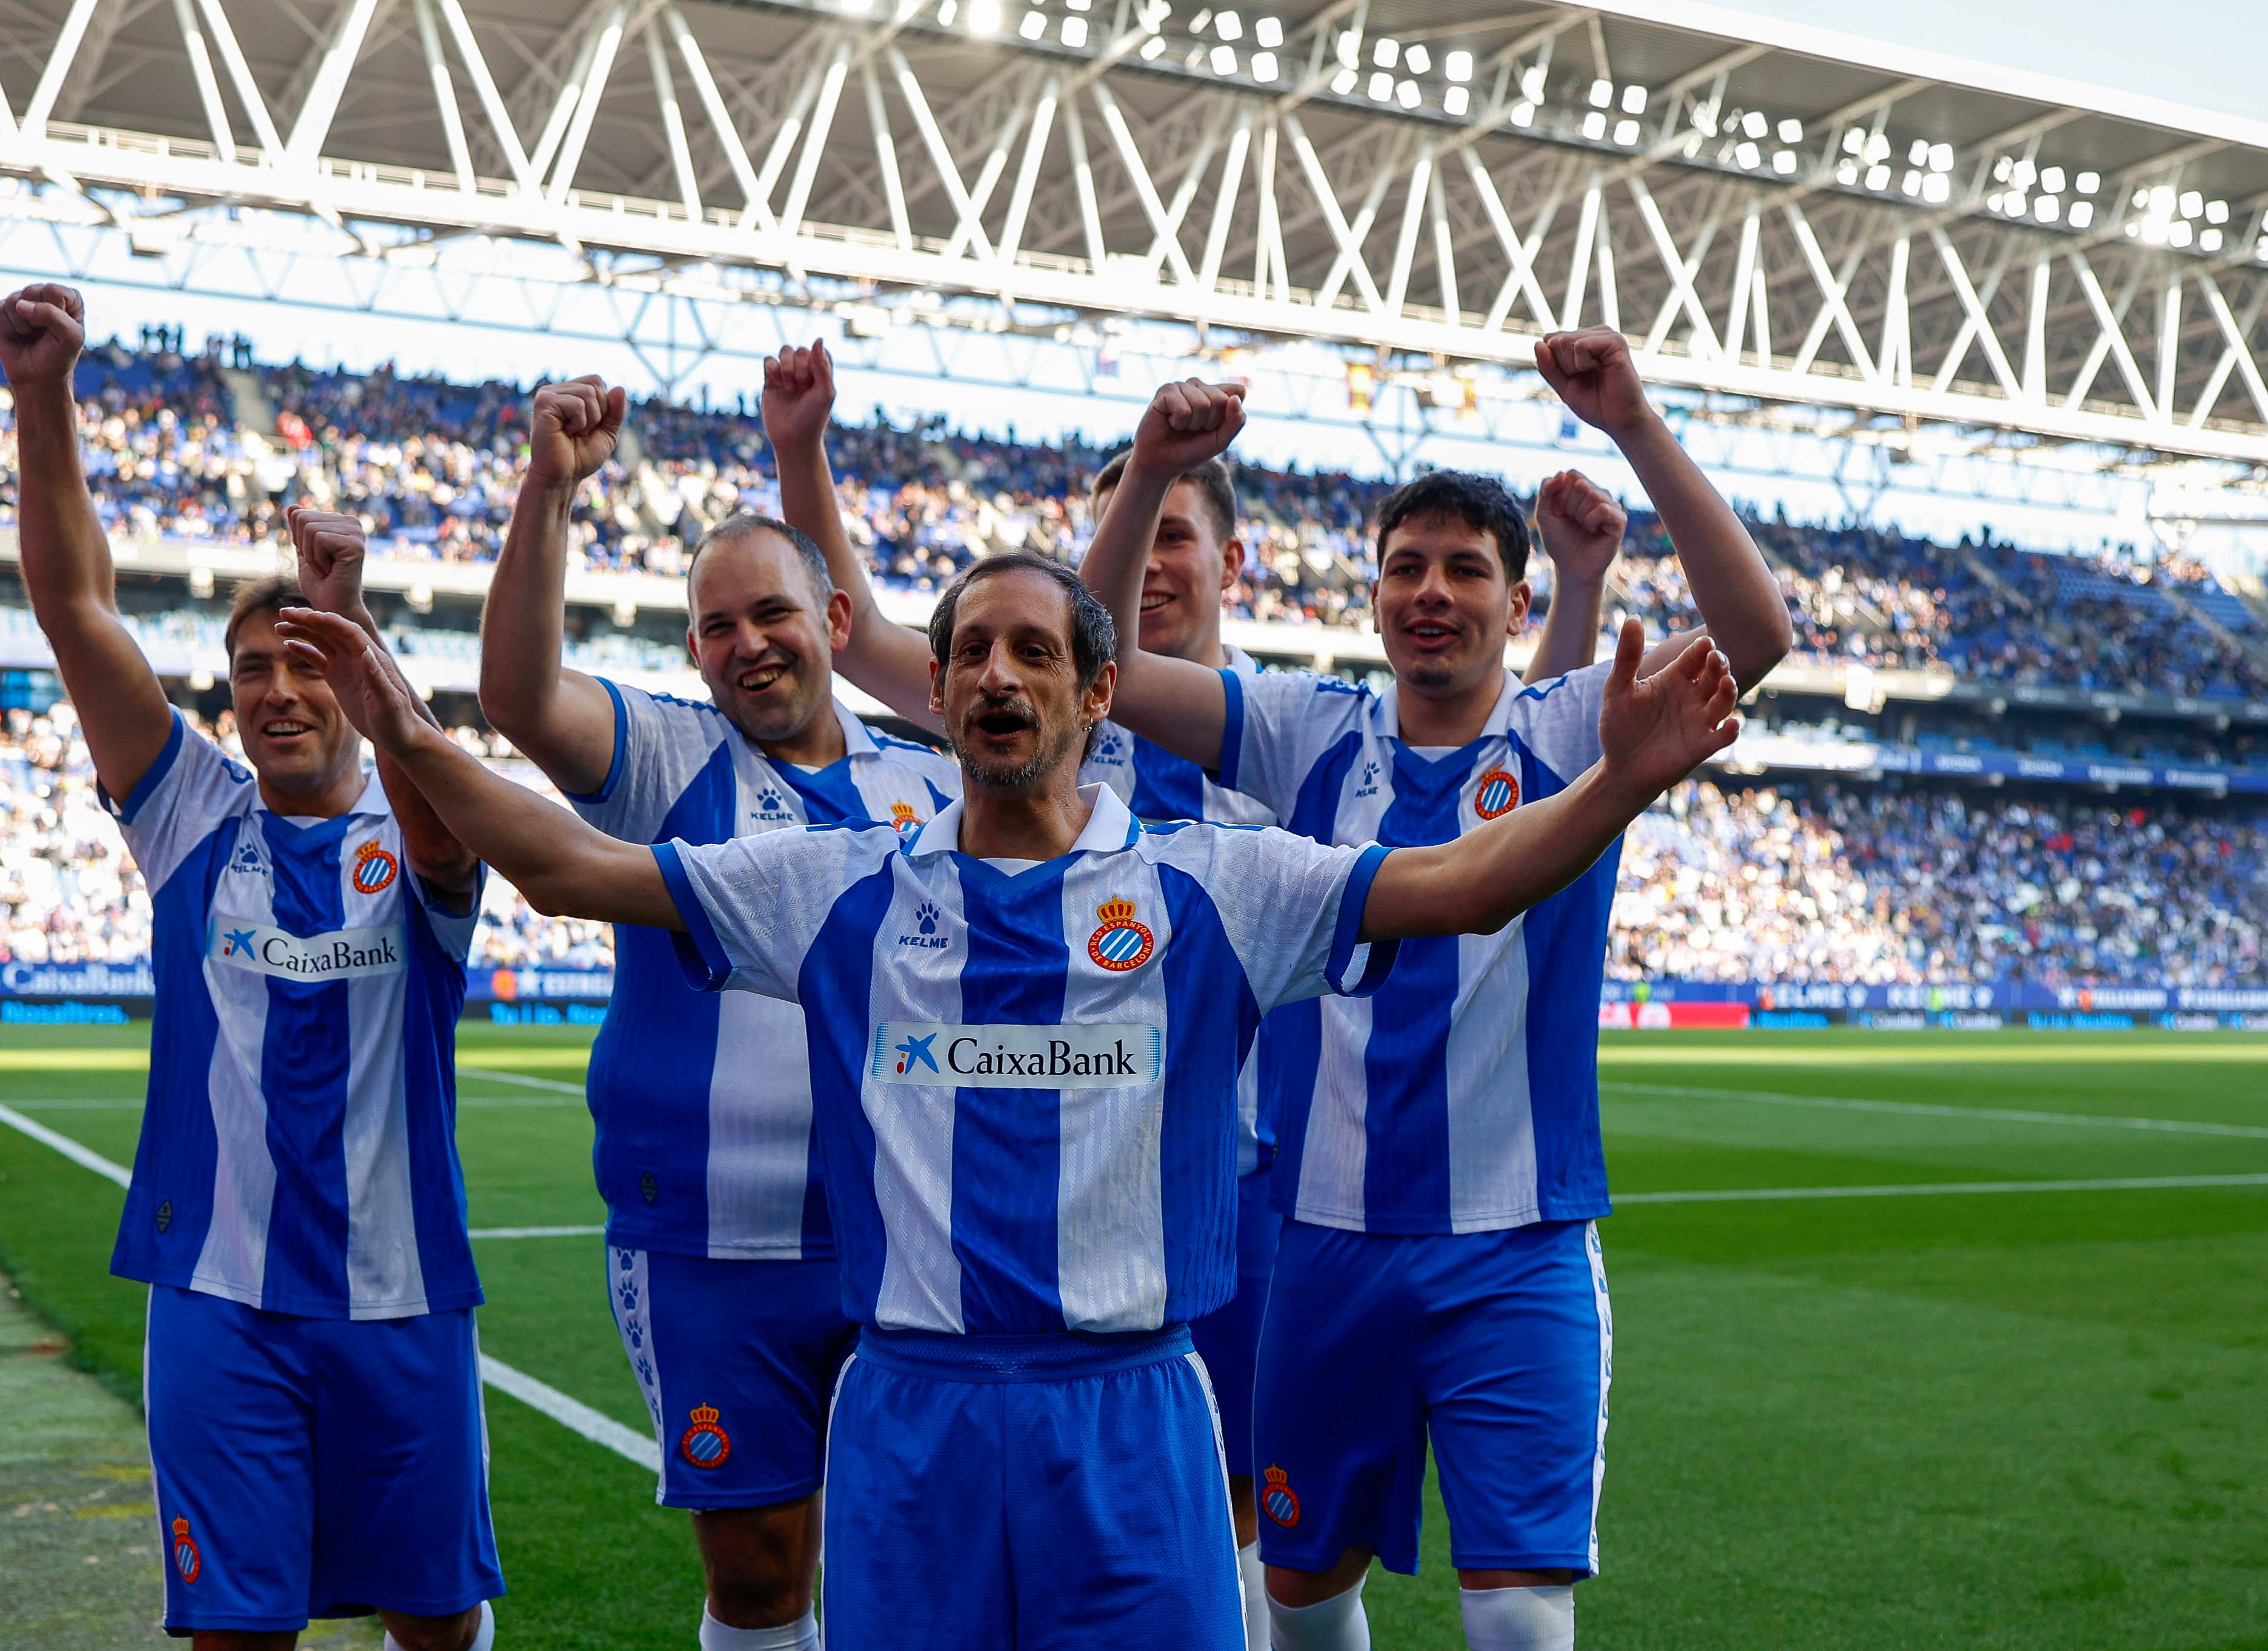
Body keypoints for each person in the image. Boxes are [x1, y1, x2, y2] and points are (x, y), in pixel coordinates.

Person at [278, 545, 1740, 1651]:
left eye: (1034, 651)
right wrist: (407, 735)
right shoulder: (840, 885)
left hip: (1132, 1412)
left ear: (1096, 694)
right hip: (911, 1413)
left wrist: (1617, 784)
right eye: (970, 650)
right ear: (937, 691)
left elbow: (1464, 882)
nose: (996, 675)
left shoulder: (1213, 885)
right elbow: (570, 869)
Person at [763, 338, 1622, 1650]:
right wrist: (803, 456)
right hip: (1082, 1204)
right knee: (1213, 1542)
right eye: (1127, 532)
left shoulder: (1284, 731)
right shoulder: (1043, 722)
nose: (1150, 560)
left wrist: (1579, 595)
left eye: (1174, 531)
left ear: (1233, 560)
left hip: (1259, 1190)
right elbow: (871, 644)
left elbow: (1511, 764)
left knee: (1235, 1533)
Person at [1077, 339, 1794, 1651]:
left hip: (1516, 1241)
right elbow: (1102, 655)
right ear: (1373, 599)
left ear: (1516, 603)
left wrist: (1635, 422)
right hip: (1325, 1242)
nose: (1431, 590)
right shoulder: (1310, 730)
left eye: (1465, 568)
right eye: (1406, 565)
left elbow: (1756, 638)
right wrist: (1150, 471)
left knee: (1516, 1617)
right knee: (1300, 1597)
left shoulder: (1570, 726)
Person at [0, 281, 500, 1651]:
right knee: (236, 1631)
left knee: (435, 1623)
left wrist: (350, 621)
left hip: (402, 1292)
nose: (276, 689)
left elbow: (448, 830)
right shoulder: (194, 820)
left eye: (307, 665)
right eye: (251, 669)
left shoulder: (423, 821)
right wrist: (43, 395)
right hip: (220, 1299)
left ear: (358, 681)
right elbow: (74, 607)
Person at [474, 376, 955, 1651]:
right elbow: (519, 697)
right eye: (717, 625)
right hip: (706, 1240)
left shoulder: (935, 783)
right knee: (756, 1571)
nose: (748, 644)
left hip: (901, 1240)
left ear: (835, 619)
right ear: (694, 650)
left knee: (903, 1548)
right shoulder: (671, 758)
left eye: (773, 613)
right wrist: (550, 487)